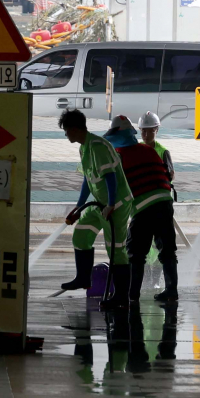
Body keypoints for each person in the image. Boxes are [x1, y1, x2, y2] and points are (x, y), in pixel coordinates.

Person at [58, 108, 133, 309]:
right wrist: (79, 207)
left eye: (66, 130)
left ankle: (121, 298)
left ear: (74, 129)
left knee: (116, 250)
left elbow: (110, 177)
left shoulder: (98, 146)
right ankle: (83, 278)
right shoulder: (84, 148)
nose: (66, 134)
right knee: (81, 234)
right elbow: (87, 179)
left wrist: (110, 205)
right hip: (100, 204)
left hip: (115, 204)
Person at [105, 115, 178, 303]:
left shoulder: (119, 155)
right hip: (165, 202)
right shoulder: (148, 149)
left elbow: (117, 188)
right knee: (167, 250)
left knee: (135, 254)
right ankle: (171, 291)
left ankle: (132, 296)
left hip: (144, 207)